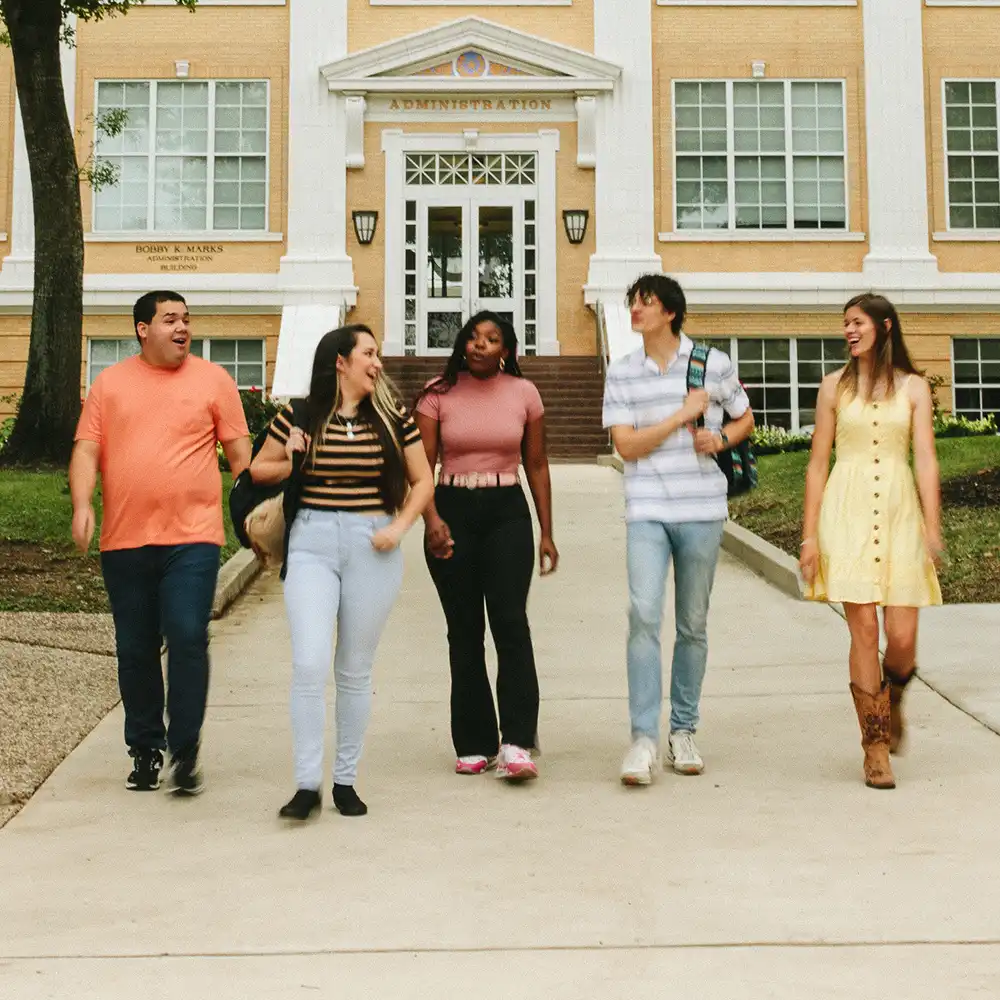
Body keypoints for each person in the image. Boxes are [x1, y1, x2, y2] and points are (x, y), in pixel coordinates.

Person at [70, 290, 251, 795]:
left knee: (188, 635)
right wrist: (82, 505)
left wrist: (255, 510)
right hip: (125, 540)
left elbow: (241, 456)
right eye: (170, 319)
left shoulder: (214, 380)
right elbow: (87, 450)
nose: (182, 327)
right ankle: (146, 748)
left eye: (187, 319)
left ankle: (185, 749)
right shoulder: (109, 384)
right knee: (136, 648)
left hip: (192, 539)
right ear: (142, 329)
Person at [250, 324, 433, 821]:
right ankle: (306, 784)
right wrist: (290, 459)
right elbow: (256, 470)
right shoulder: (300, 414)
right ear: (341, 362)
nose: (377, 362)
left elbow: (423, 480)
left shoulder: (394, 417)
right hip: (310, 542)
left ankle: (345, 780)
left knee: (354, 670)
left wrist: (398, 527)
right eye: (368, 354)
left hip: (372, 543)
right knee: (309, 663)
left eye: (376, 354)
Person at [602, 274, 754, 787]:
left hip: (702, 510)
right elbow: (626, 447)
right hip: (646, 508)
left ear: (670, 311)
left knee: (692, 624)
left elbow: (745, 419)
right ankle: (643, 738)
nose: (635, 311)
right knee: (643, 615)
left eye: (645, 302)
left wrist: (720, 438)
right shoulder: (622, 372)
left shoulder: (713, 364)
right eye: (632, 303)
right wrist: (679, 417)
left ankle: (683, 729)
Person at [800, 293, 942, 790]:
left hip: (901, 513)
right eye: (845, 324)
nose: (849, 331)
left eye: (856, 323)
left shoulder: (914, 387)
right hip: (847, 512)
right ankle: (875, 746)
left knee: (900, 639)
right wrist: (809, 536)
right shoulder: (832, 388)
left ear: (883, 326)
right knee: (862, 629)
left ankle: (894, 689)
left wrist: (933, 526)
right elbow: (818, 463)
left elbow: (924, 458)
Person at [414, 311, 558, 782]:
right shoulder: (438, 393)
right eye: (473, 337)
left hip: (506, 512)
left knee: (511, 623)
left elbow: (536, 464)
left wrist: (546, 532)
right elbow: (422, 467)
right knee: (464, 630)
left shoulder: (524, 394)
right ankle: (474, 741)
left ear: (507, 351)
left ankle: (516, 741)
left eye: (491, 339)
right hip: (452, 507)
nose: (479, 345)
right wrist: (431, 520)